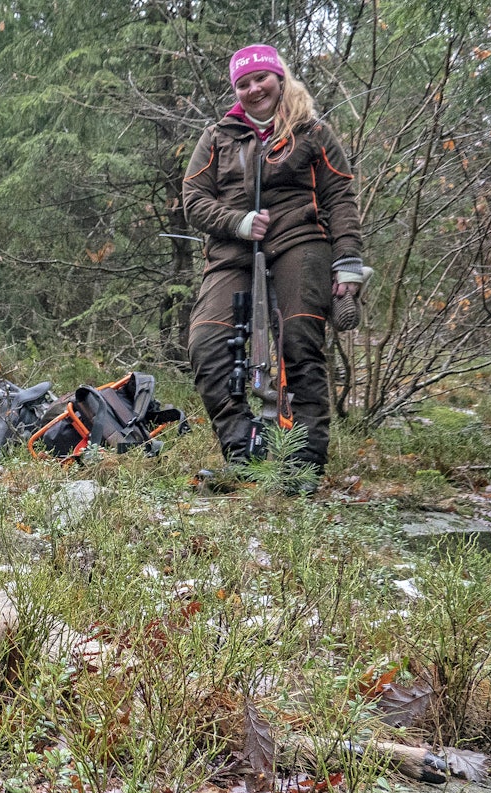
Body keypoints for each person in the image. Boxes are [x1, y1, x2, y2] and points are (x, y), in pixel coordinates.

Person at [182, 43, 365, 489]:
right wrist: (237, 222)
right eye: (243, 83)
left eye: (260, 78)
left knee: (299, 340)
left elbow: (340, 198)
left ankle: (303, 466)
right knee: (206, 344)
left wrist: (348, 264)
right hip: (233, 248)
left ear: (279, 78)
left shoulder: (313, 133)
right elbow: (193, 200)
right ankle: (244, 456)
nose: (253, 88)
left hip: (301, 239)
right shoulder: (217, 137)